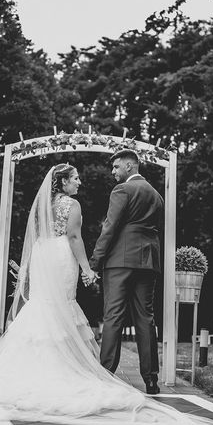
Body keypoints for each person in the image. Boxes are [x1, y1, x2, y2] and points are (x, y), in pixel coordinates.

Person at [0, 163, 213, 425]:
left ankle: (30, 369)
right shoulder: (71, 206)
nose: (80, 181)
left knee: (41, 307)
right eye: (75, 177)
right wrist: (87, 268)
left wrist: (30, 269)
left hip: (41, 258)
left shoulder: (40, 206)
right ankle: (61, 368)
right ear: (62, 182)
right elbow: (75, 238)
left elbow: (33, 240)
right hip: (62, 256)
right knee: (61, 307)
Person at [89, 149, 163, 395]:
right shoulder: (156, 195)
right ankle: (151, 380)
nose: (113, 172)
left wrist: (95, 261)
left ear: (130, 166)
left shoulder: (122, 190)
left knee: (113, 316)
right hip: (148, 260)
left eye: (116, 167)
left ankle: (106, 374)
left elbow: (109, 227)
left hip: (120, 260)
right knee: (146, 318)